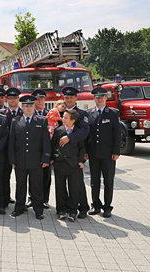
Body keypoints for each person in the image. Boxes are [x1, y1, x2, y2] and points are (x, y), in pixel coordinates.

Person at [9, 95, 51, 220]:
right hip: (20, 159)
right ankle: (19, 207)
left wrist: (45, 158)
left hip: (36, 160)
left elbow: (46, 142)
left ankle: (38, 210)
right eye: (26, 106)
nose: (28, 108)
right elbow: (11, 142)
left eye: (31, 106)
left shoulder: (42, 120)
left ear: (34, 106)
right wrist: (12, 159)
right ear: (22, 107)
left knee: (36, 186)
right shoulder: (15, 121)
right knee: (20, 185)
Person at [86, 86, 121, 218]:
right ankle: (95, 205)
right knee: (94, 181)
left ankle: (107, 207)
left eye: (101, 97)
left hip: (108, 153)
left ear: (106, 98)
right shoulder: (89, 113)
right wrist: (86, 151)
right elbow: (88, 135)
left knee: (108, 181)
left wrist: (116, 151)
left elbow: (117, 134)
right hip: (93, 153)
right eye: (96, 97)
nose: (99, 99)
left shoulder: (113, 113)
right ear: (94, 98)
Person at [59, 86, 91, 218]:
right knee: (63, 185)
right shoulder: (59, 113)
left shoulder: (82, 114)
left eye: (71, 97)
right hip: (61, 155)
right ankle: (67, 206)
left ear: (76, 98)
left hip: (76, 153)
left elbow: (85, 132)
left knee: (78, 183)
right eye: (66, 97)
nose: (69, 99)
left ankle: (83, 207)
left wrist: (69, 138)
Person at [51, 109, 85, 222]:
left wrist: (81, 161)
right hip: (59, 163)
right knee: (60, 187)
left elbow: (82, 148)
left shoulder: (78, 132)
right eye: (63, 117)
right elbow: (53, 145)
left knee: (74, 188)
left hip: (73, 165)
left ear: (73, 120)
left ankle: (73, 211)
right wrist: (52, 158)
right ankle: (60, 210)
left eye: (66, 117)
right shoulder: (58, 130)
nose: (63, 119)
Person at [2, 86, 22, 205]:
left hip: (20, 150)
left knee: (21, 178)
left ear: (18, 99)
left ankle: (21, 202)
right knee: (5, 177)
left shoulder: (24, 113)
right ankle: (5, 199)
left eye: (15, 98)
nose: (12, 100)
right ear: (6, 99)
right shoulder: (1, 114)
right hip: (4, 151)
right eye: (10, 98)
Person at [32, 88, 51, 209]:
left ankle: (45, 199)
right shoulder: (28, 113)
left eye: (42, 99)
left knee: (46, 176)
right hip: (33, 152)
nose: (39, 102)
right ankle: (31, 198)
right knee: (32, 177)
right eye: (37, 100)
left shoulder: (51, 114)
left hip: (46, 151)